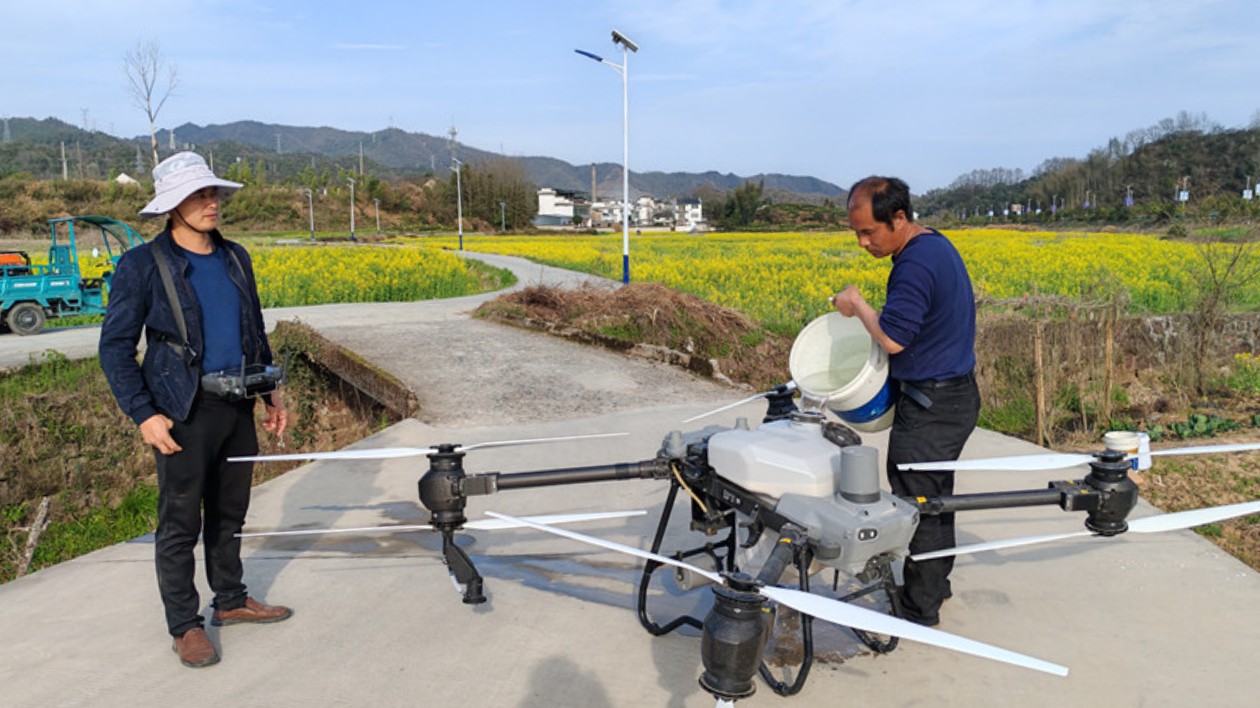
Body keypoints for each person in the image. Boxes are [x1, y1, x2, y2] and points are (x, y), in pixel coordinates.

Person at [99, 152, 291, 668]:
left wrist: (271, 388)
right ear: (171, 206)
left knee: (230, 515)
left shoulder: (235, 257)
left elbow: (255, 328)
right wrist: (143, 413)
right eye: (198, 195)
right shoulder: (143, 265)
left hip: (238, 404)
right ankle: (185, 625)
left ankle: (230, 600)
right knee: (180, 521)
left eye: (213, 193)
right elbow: (115, 347)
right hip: (182, 408)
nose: (212, 203)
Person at [830, 176, 979, 627]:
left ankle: (919, 608)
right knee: (936, 497)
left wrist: (857, 303)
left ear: (898, 218)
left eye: (869, 232)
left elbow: (893, 338)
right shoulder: (933, 245)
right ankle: (936, 583)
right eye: (856, 232)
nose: (862, 242)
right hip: (954, 396)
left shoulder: (913, 264)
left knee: (919, 506)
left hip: (933, 406)